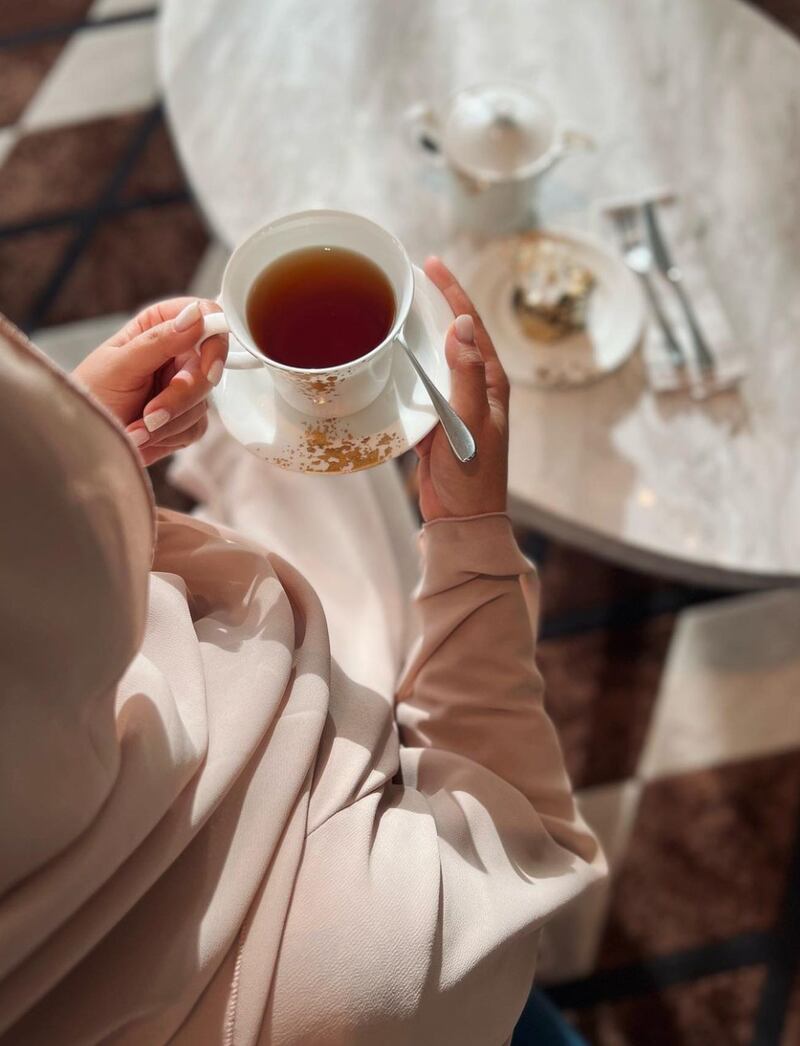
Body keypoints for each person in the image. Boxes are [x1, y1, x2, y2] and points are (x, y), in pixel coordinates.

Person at [0, 258, 604, 1045]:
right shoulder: (356, 959)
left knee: (307, 464)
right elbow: (525, 845)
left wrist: (75, 466)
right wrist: (473, 541)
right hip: (449, 940)